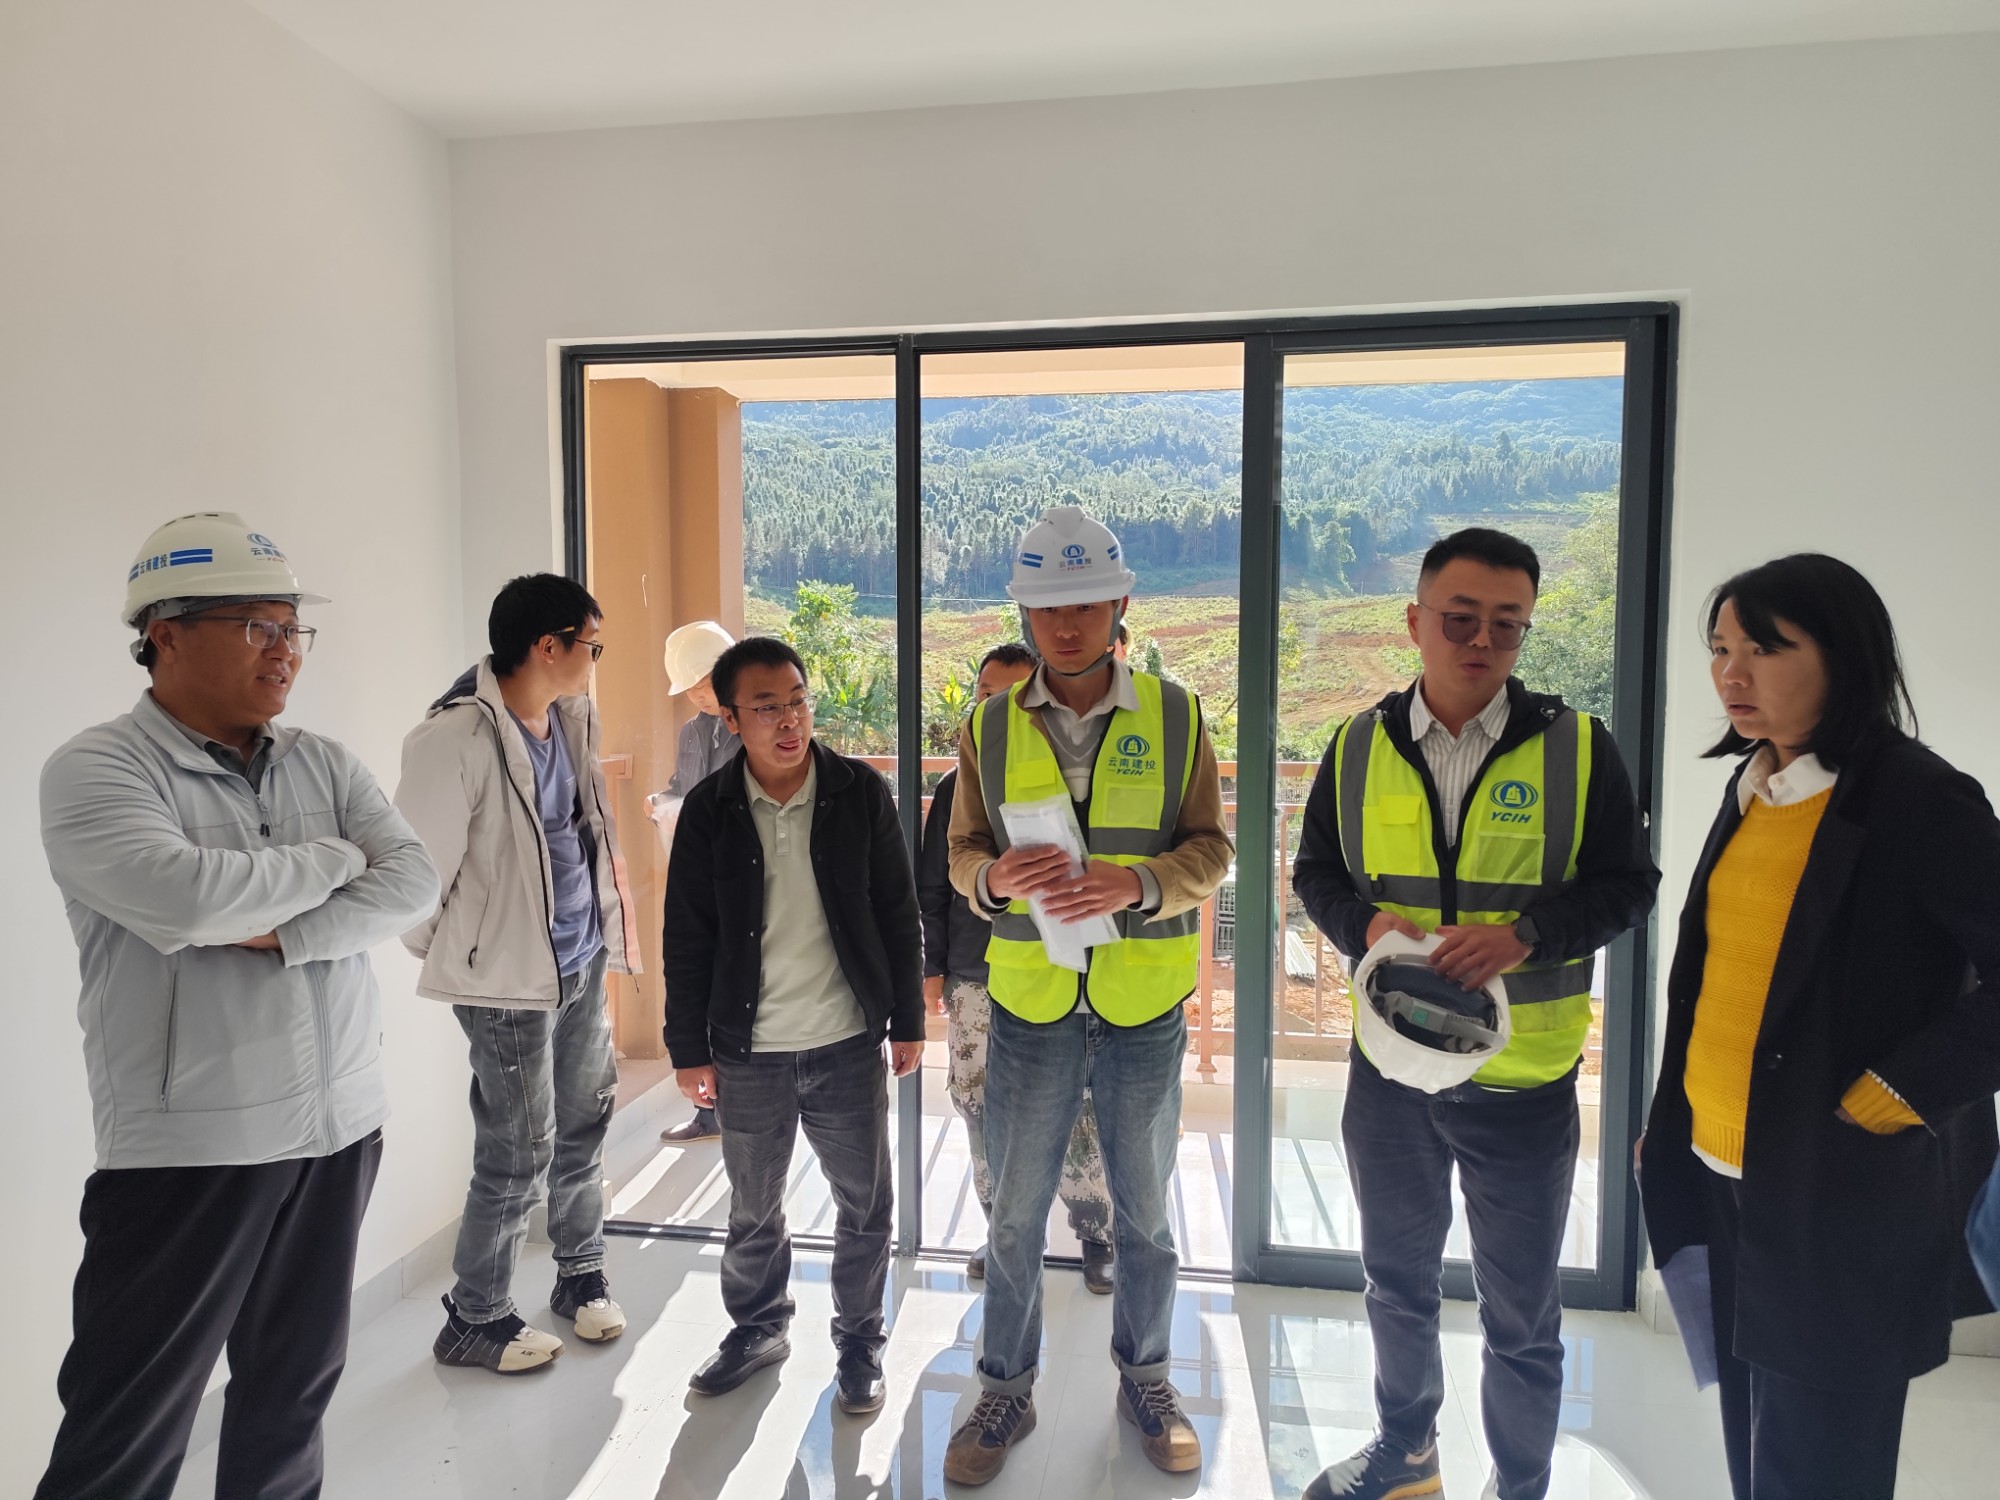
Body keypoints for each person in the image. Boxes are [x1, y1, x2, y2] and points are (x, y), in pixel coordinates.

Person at [35, 513, 438, 1499]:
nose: (284, 651)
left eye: (293, 629)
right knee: (125, 1431)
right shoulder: (99, 769)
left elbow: (415, 881)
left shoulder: (323, 762)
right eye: (257, 626)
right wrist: (336, 859)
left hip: (340, 1127)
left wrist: (288, 931)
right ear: (165, 634)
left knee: (289, 1406)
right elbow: (185, 900)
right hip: (193, 1148)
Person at [1293, 527, 1659, 1500]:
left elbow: (1629, 887)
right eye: (1459, 619)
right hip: (1390, 1073)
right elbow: (1315, 873)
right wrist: (1364, 924)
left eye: (1507, 623)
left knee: (1521, 1313)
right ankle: (1407, 1454)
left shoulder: (1579, 748)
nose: (1482, 641)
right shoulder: (1356, 744)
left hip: (1521, 1082)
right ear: (1414, 622)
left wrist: (1527, 935)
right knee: (1395, 1284)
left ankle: (1520, 1484)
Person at [1638, 553, 2000, 1500]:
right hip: (1726, 1176)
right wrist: (1676, 1113)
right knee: (1754, 1446)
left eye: (1765, 648)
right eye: (1720, 648)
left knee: (1820, 1466)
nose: (1731, 673)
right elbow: (1721, 977)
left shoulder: (1921, 799)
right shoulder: (1757, 784)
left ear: (1845, 656)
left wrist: (1901, 1091)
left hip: (1838, 1193)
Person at [943, 505, 1233, 1484]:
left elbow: (1211, 851)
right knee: (1014, 1212)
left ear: (1119, 605)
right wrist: (993, 879)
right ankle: (1004, 1389)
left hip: (1142, 1005)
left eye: (1084, 604)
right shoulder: (987, 725)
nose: (1064, 625)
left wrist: (1138, 883)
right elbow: (962, 851)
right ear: (1023, 613)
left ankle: (1147, 1380)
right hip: (1031, 1002)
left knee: (1145, 1214)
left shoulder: (1176, 714)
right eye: (1045, 607)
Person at [663, 637, 925, 1415]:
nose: (788, 720)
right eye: (767, 707)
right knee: (753, 1208)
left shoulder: (858, 792)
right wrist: (687, 1048)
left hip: (846, 1041)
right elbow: (687, 935)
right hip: (749, 1052)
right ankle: (758, 1328)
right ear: (730, 717)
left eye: (798, 701)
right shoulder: (710, 810)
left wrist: (907, 1019)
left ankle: (860, 1344)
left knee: (864, 1205)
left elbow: (897, 909)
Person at [396, 574, 639, 1374]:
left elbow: (579, 833)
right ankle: (476, 1316)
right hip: (505, 980)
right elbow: (415, 877)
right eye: (592, 644)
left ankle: (580, 1274)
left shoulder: (568, 718)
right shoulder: (455, 738)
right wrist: (467, 955)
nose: (596, 659)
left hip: (577, 960)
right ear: (548, 646)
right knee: (518, 1149)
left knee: (584, 1121)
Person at [920, 642, 1116, 1292]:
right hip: (975, 974)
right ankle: (1000, 1232)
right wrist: (931, 969)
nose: (995, 706)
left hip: (1055, 971)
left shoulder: (1075, 778)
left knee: (1079, 1104)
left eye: (1010, 695)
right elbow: (932, 884)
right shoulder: (956, 784)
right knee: (979, 1104)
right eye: (985, 694)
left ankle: (1097, 1233)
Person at [657, 619, 741, 1144]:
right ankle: (709, 1113)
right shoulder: (691, 731)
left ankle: (742, 1113)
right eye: (690, 689)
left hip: (742, 878)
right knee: (699, 987)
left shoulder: (753, 725)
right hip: (698, 878)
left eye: (702, 684)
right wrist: (662, 803)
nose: (697, 695)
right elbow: (681, 786)